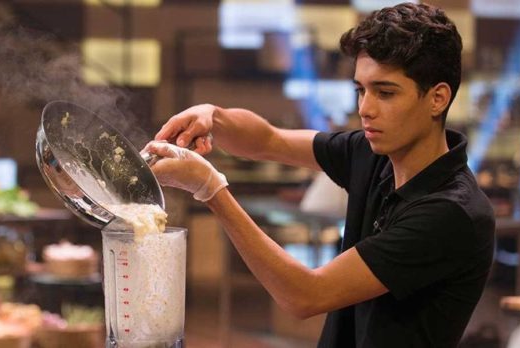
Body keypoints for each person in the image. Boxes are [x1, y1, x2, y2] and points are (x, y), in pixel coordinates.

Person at [144, 2, 495, 347]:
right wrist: (212, 117)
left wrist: (210, 189)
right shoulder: (374, 155)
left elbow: (305, 295)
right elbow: (269, 140)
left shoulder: (450, 212)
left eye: (385, 93)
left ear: (437, 99)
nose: (365, 109)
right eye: (361, 90)